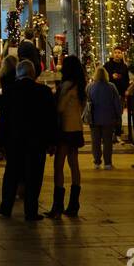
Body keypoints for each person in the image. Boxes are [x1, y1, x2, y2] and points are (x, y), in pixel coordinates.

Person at [0, 60, 58, 220]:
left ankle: (6, 206)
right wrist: (52, 142)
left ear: (18, 74)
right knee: (34, 176)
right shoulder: (44, 92)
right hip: (36, 142)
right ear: (32, 73)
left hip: (14, 141)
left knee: (11, 174)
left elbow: (3, 119)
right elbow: (51, 119)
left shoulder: (9, 91)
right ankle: (30, 211)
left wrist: (0, 142)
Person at [47, 56, 86, 218]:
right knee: (74, 164)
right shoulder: (80, 87)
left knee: (59, 165)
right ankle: (74, 203)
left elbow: (60, 108)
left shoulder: (67, 87)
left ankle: (57, 206)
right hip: (76, 128)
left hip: (65, 129)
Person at [86, 66, 121, 169]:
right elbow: (116, 103)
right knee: (107, 142)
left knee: (95, 142)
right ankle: (108, 163)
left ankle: (97, 162)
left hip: (94, 118)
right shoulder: (111, 86)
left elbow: (87, 102)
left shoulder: (90, 87)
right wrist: (118, 115)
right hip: (108, 118)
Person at [104, 48, 132, 145]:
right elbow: (104, 78)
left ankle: (118, 135)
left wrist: (126, 89)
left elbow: (127, 80)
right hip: (108, 94)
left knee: (118, 115)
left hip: (120, 93)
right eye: (115, 52)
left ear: (122, 54)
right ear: (112, 54)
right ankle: (110, 135)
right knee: (109, 114)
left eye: (119, 53)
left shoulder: (124, 67)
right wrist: (112, 77)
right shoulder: (107, 65)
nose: (117, 54)